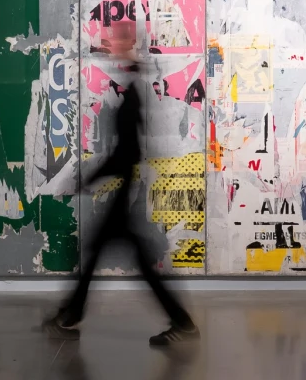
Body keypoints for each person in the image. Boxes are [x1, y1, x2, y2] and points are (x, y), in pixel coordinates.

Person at [44, 21, 198, 346]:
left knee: (117, 255)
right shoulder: (132, 80)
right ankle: (72, 313)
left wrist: (86, 179)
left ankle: (181, 322)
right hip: (126, 189)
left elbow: (127, 151)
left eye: (114, 39)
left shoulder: (134, 86)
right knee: (105, 252)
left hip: (127, 191)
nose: (108, 43)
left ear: (128, 43)